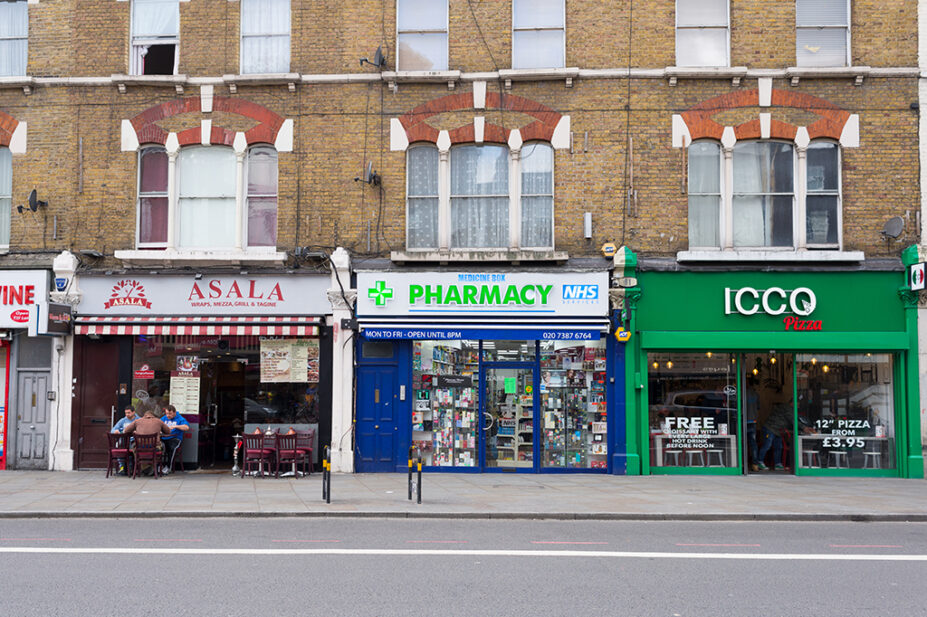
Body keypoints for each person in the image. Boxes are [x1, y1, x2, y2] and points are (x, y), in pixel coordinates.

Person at [122, 410, 172, 476]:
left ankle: (144, 467)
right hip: (154, 448)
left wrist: (134, 431)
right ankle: (155, 467)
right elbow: (168, 431)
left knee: (134, 447)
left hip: (139, 448)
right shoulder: (159, 421)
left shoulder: (137, 421)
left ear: (144, 415)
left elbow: (126, 430)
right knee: (162, 446)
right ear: (153, 415)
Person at [756, 401, 791, 470]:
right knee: (767, 445)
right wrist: (803, 427)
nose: (798, 406)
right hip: (770, 429)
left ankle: (777, 464)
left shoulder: (787, 409)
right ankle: (759, 462)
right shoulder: (787, 409)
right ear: (793, 403)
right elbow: (792, 419)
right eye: (798, 404)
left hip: (778, 431)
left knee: (778, 447)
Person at [160, 404, 190, 474]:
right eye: (167, 413)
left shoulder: (180, 419)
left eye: (170, 414)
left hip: (175, 438)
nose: (168, 415)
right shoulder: (163, 418)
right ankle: (158, 466)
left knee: (172, 448)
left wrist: (176, 426)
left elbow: (186, 427)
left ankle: (168, 467)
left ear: (174, 412)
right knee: (156, 446)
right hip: (164, 438)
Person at [110, 406, 139, 474]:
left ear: (133, 412)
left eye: (129, 413)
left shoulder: (138, 420)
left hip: (134, 441)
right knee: (120, 444)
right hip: (124, 441)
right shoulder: (123, 420)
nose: (127, 415)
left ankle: (133, 468)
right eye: (126, 413)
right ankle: (122, 467)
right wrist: (115, 431)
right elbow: (112, 430)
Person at [744, 383, 760, 472]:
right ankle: (755, 465)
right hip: (753, 421)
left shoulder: (741, 394)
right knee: (753, 444)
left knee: (741, 443)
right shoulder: (756, 394)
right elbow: (758, 407)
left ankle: (741, 463)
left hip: (743, 421)